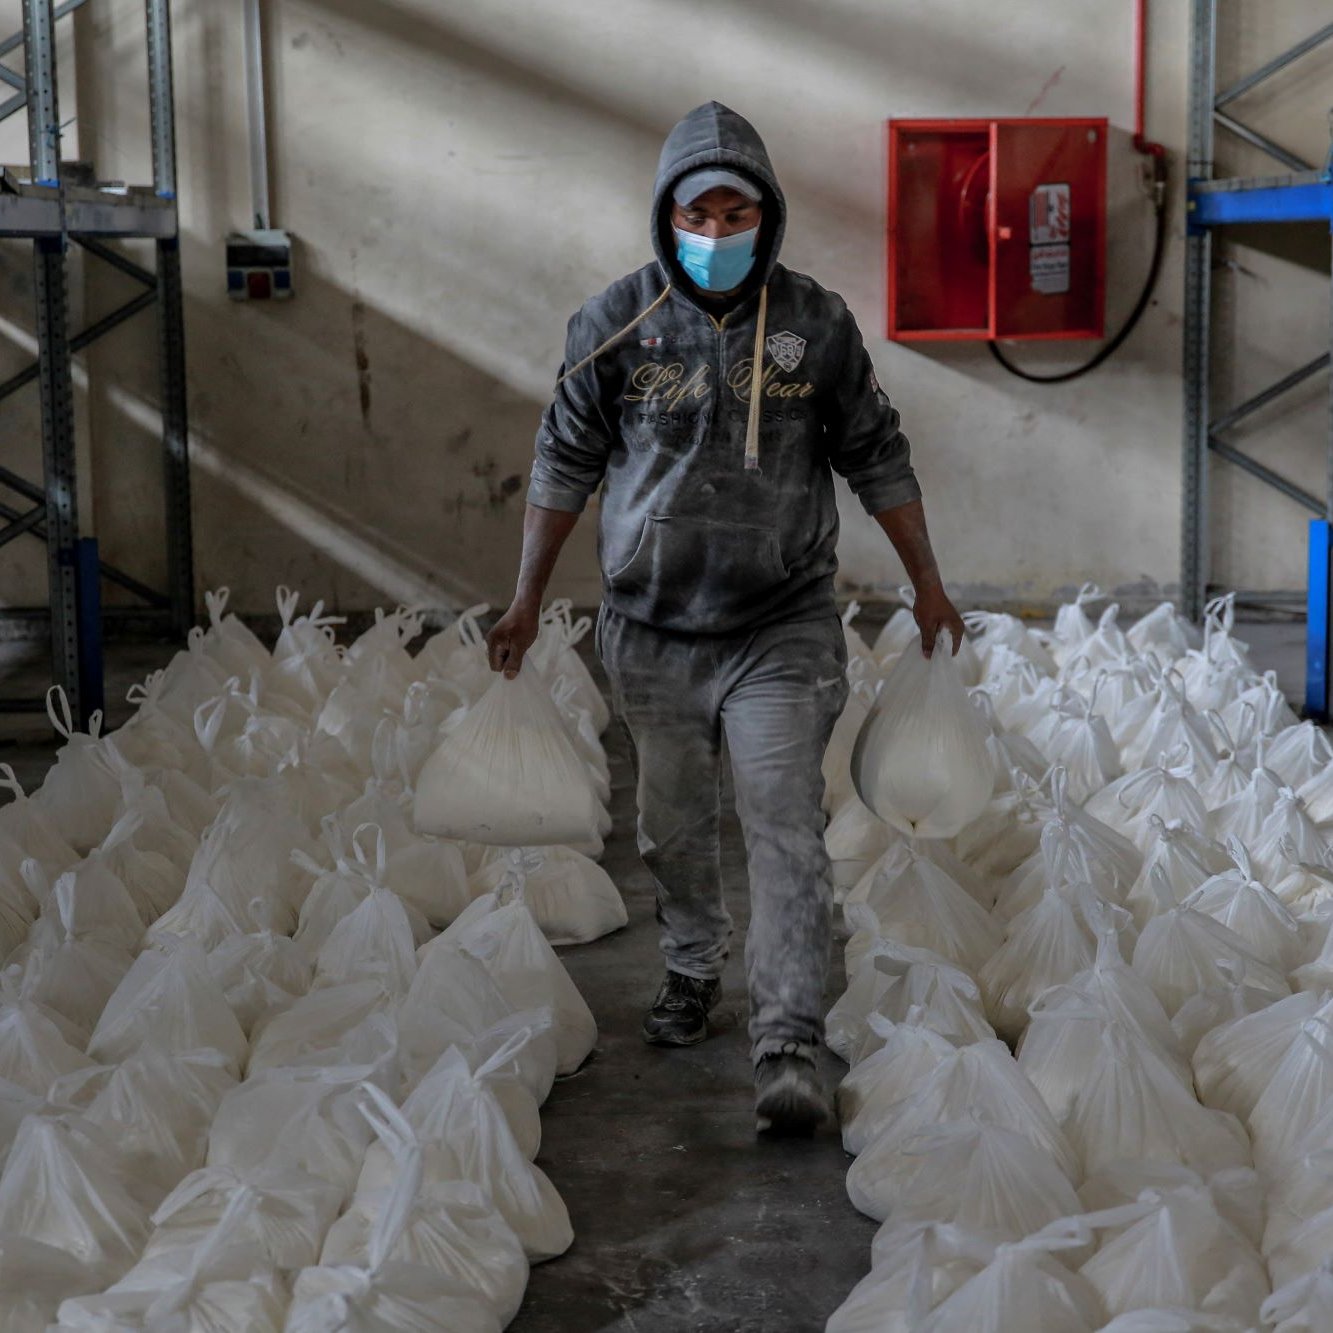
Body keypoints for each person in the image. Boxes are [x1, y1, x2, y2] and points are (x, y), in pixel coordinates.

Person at [486, 101, 963, 1135]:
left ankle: (790, 1036)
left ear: (766, 213)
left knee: (784, 822)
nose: (714, 229)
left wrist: (926, 579)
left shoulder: (814, 326)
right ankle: (691, 965)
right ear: (665, 217)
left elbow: (876, 452)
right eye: (695, 211)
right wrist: (527, 596)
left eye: (733, 209)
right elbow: (563, 462)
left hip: (779, 625)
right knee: (669, 824)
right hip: (651, 628)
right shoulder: (611, 323)